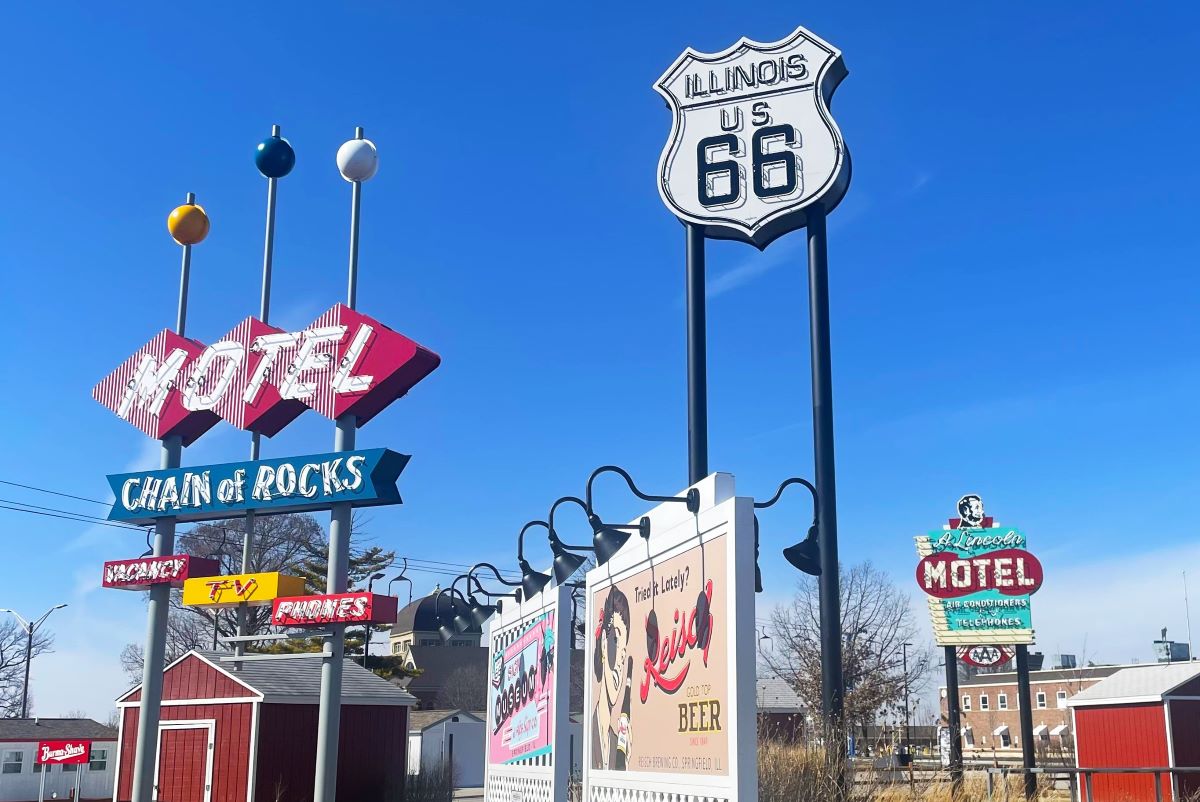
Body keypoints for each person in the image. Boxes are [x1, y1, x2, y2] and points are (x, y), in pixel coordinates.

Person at [591, 587, 633, 770]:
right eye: (615, 640)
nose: (620, 661)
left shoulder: (617, 742)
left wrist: (625, 766)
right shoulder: (591, 732)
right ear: (602, 645)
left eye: (624, 650)